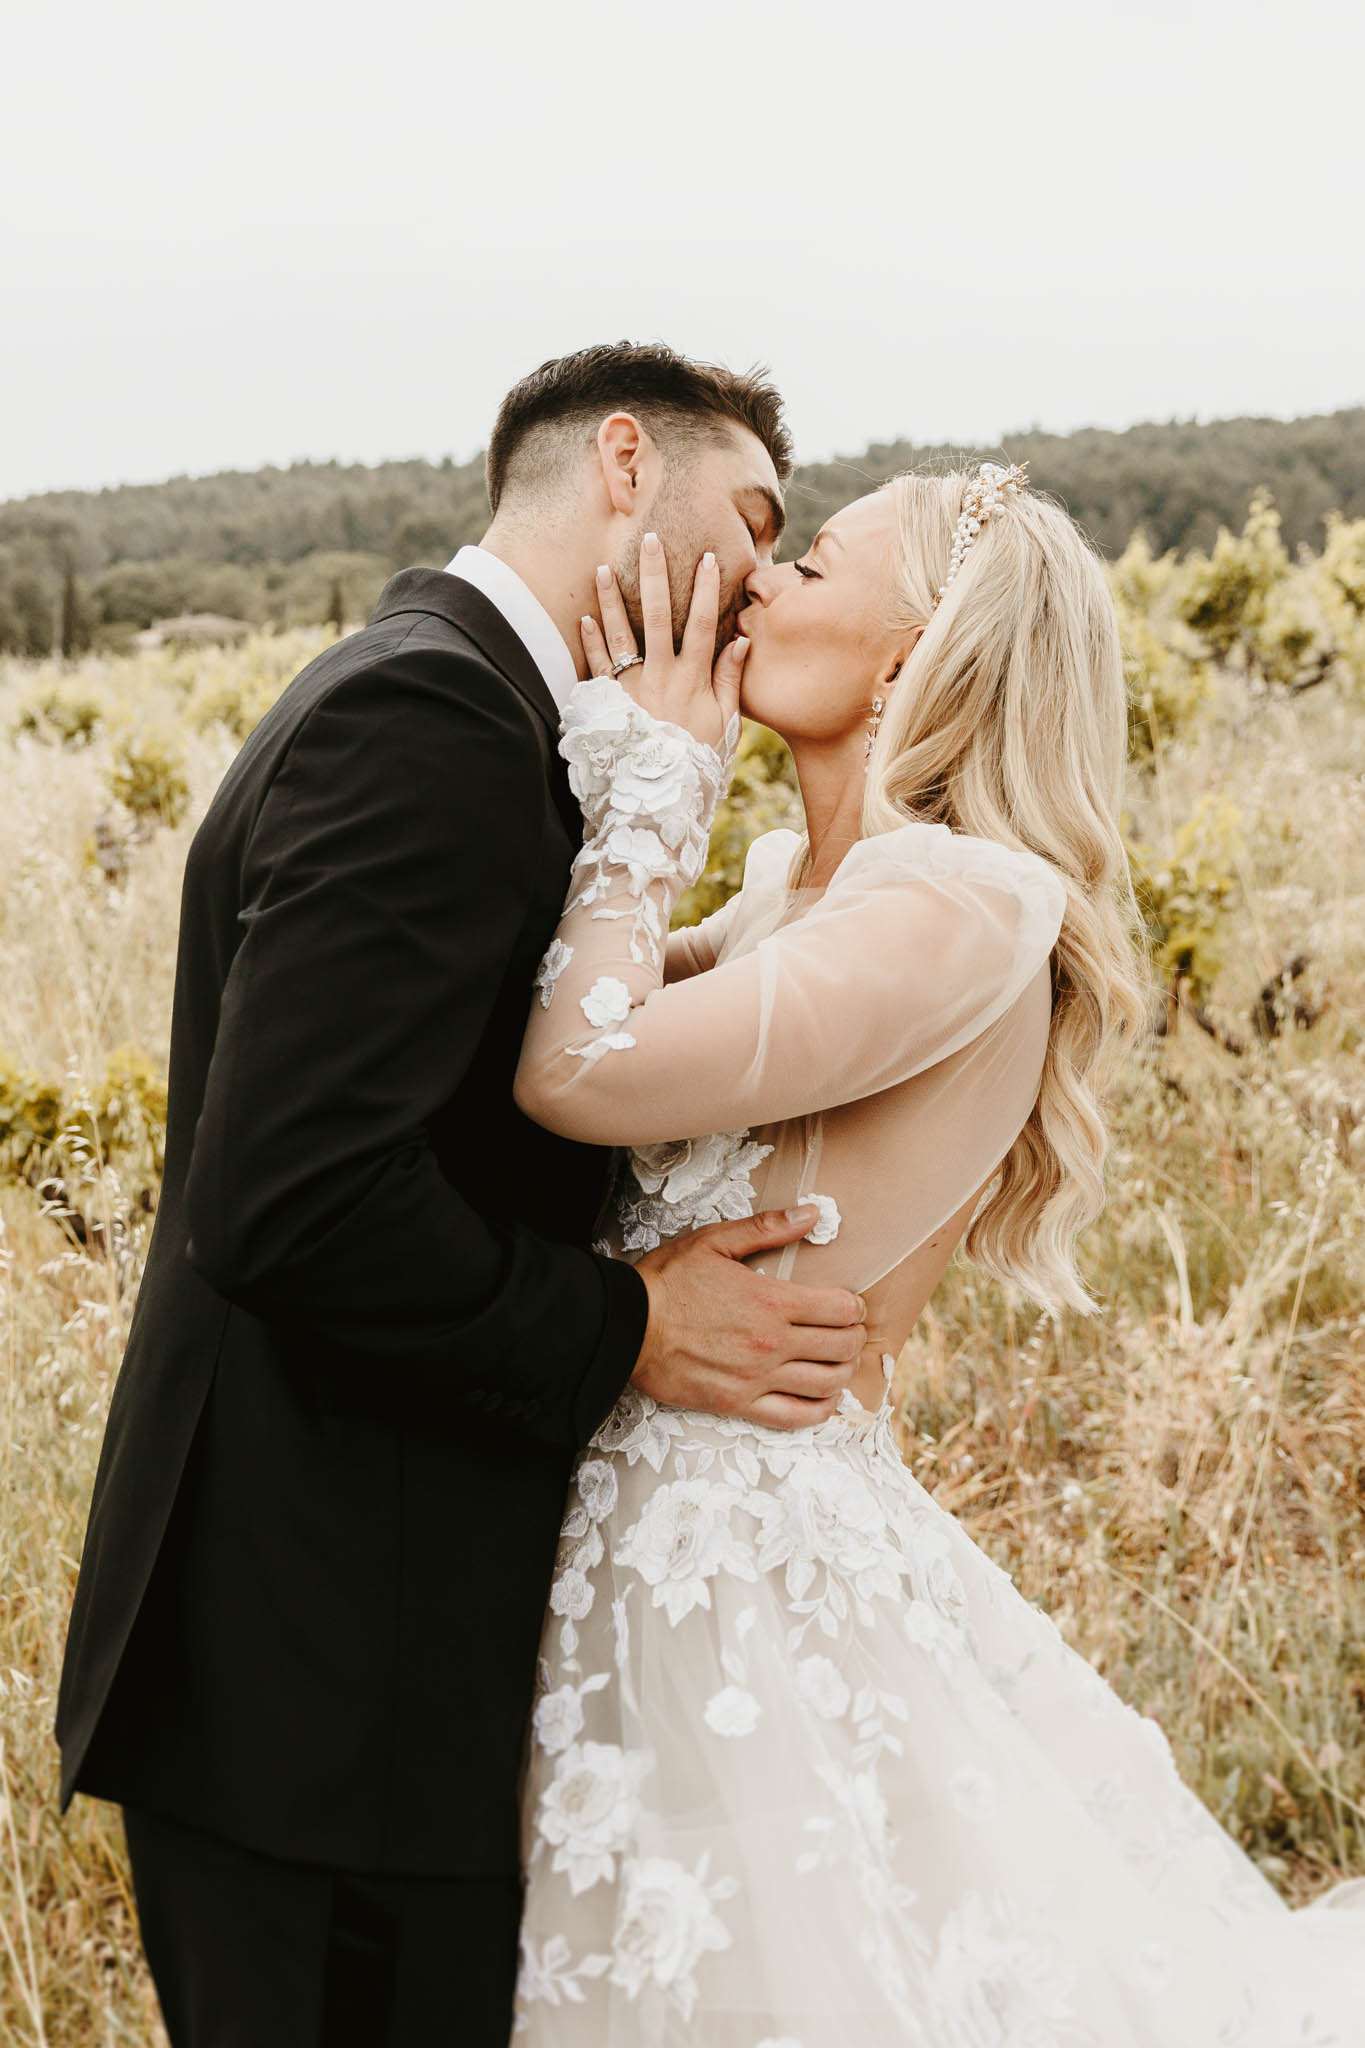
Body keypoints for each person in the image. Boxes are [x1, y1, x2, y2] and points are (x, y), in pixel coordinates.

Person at [53, 342, 872, 2048]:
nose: (753, 595)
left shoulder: (474, 705)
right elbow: (291, 1196)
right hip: (315, 1676)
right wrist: (633, 1323)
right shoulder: (426, 714)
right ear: (627, 466)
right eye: (756, 523)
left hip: (362, 1660)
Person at [508, 467, 1365, 2043]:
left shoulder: (960, 902)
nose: (758, 587)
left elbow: (579, 1069)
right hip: (637, 1523)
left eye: (812, 564)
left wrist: (651, 787)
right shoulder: (795, 888)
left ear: (917, 649)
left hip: (735, 1551)